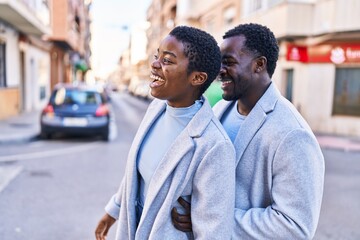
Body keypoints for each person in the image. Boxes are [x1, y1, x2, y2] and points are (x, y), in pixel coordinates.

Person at [172, 23, 325, 239]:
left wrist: (208, 217)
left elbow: (294, 226)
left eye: (229, 62)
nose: (220, 70)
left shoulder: (292, 134)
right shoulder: (220, 109)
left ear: (259, 65)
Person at [95, 25, 236, 240]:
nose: (154, 65)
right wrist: (113, 211)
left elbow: (213, 232)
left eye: (167, 61)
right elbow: (137, 175)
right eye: (156, 56)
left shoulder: (214, 145)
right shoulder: (156, 109)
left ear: (197, 78)